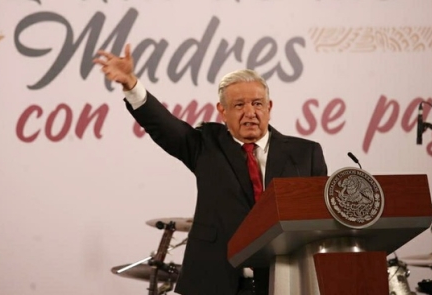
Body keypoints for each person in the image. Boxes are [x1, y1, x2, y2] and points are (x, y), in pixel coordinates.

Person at [94, 45, 328, 295]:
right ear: (222, 111)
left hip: (283, 281)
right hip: (214, 280)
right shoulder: (205, 145)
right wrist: (130, 83)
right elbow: (164, 125)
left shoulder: (305, 154)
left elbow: (320, 222)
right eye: (239, 105)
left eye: (257, 104)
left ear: (269, 107)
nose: (250, 112)